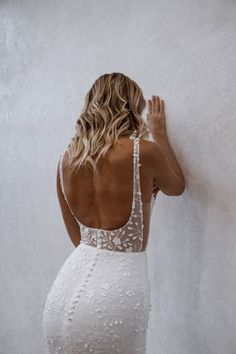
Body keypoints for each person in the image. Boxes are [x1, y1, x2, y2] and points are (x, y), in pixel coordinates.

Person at [42, 72, 185, 354]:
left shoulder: (65, 159)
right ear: (130, 107)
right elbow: (177, 187)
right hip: (115, 294)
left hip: (63, 292)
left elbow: (78, 239)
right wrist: (159, 135)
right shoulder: (143, 152)